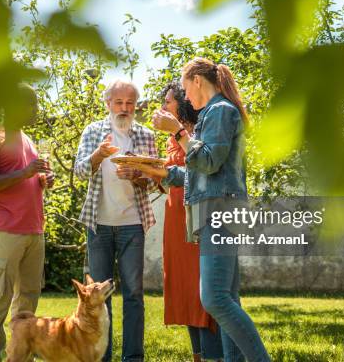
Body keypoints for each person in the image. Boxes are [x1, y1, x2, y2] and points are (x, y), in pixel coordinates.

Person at [126, 58, 271, 362]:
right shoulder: (213, 114)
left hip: (219, 210)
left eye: (184, 88)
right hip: (216, 207)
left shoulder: (220, 111)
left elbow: (208, 161)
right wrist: (152, 170)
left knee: (214, 298)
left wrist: (178, 130)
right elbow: (197, 173)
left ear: (196, 80)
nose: (185, 96)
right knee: (227, 298)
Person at [74, 80, 158, 362]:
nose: (124, 108)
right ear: (108, 103)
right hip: (99, 225)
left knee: (134, 293)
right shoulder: (93, 132)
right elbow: (80, 172)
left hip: (133, 224)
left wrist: (138, 175)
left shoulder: (145, 135)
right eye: (119, 102)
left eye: (130, 103)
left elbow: (156, 178)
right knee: (99, 297)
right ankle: (103, 357)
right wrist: (97, 155)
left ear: (136, 105)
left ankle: (133, 358)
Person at [0, 84, 54, 362]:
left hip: (34, 232)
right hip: (4, 232)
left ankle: (20, 357)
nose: (35, 109)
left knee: (27, 303)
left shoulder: (28, 140)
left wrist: (41, 181)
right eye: (30, 103)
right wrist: (25, 172)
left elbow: (25, 178)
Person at [158, 82, 223, 362]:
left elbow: (202, 171)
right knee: (184, 288)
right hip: (175, 217)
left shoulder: (196, 132)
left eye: (168, 101)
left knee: (201, 291)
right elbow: (172, 178)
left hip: (198, 216)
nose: (163, 107)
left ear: (182, 102)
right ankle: (198, 356)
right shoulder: (172, 139)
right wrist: (150, 174)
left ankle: (214, 356)